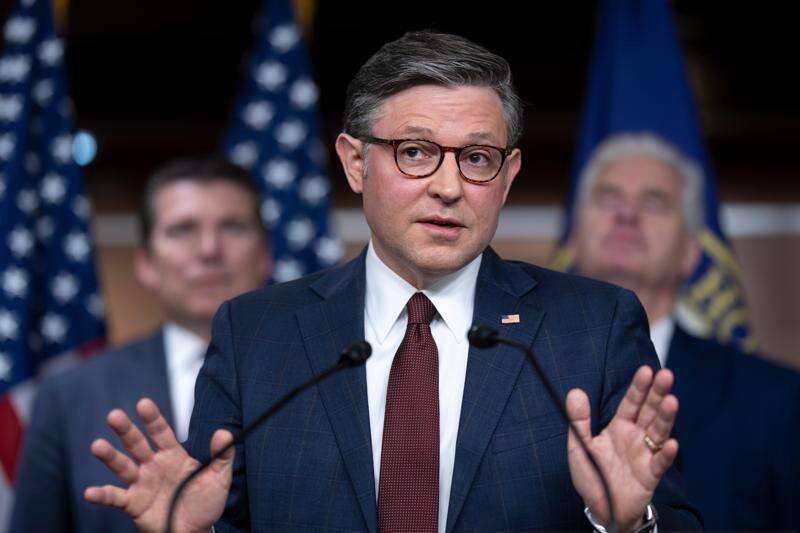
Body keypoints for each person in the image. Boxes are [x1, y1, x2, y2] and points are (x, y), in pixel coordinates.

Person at [84, 32, 702, 532]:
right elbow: (225, 517)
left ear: (508, 175)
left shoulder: (593, 327)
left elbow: (671, 518)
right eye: (415, 152)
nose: (449, 187)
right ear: (356, 163)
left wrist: (628, 523)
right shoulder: (256, 335)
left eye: (477, 158)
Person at [10, 156, 272, 532]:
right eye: (182, 230)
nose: (209, 249)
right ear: (146, 262)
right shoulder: (69, 394)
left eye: (232, 227)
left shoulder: (326, 374)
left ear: (265, 255)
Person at [570, 132, 800, 530]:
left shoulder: (776, 400)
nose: (627, 215)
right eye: (608, 198)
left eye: (654, 202)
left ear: (691, 253)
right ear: (574, 237)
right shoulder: (511, 368)